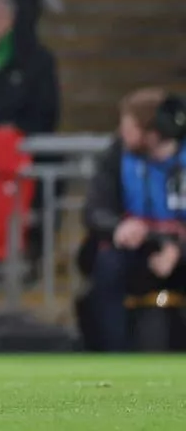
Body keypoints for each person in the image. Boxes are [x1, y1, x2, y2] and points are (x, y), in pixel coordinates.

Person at [81, 88, 186, 351]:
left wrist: (177, 250)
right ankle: (115, 353)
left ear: (152, 133)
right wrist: (119, 227)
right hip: (136, 250)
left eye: (128, 126)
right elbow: (94, 211)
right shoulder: (116, 157)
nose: (121, 132)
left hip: (180, 251)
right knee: (107, 265)